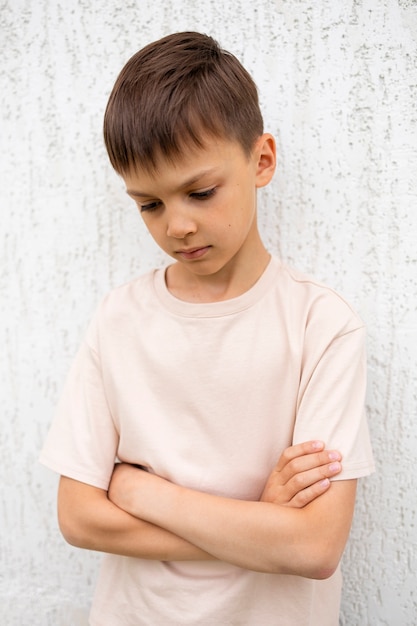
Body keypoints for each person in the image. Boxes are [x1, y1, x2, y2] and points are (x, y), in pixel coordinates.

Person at [40, 31, 374, 625]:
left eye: (200, 192)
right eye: (149, 204)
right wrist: (260, 523)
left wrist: (144, 494)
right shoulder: (119, 319)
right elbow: (79, 516)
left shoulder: (320, 325)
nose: (178, 226)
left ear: (261, 160)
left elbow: (314, 547)